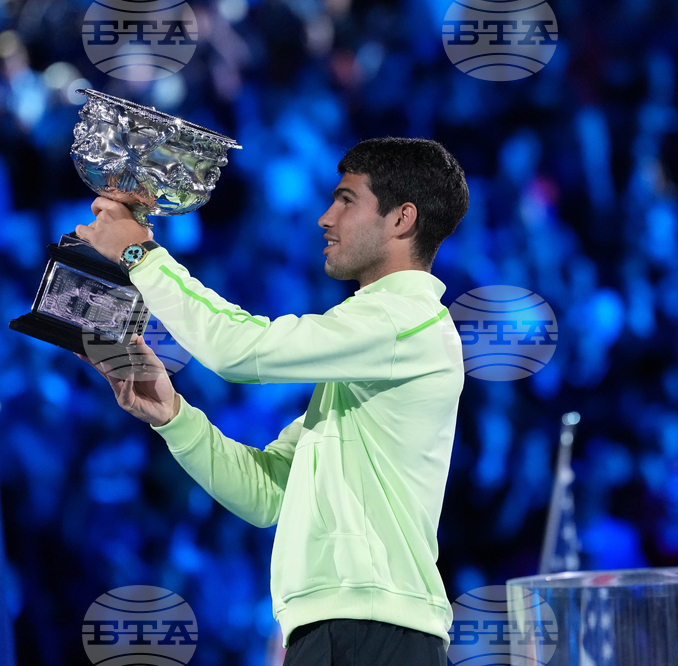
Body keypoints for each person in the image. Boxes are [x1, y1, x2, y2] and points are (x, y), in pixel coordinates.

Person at [75, 137, 470, 666]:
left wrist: (140, 256)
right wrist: (174, 417)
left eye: (346, 200)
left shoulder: (404, 322)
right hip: (344, 629)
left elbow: (239, 349)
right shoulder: (377, 348)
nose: (325, 218)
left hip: (370, 632)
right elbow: (267, 493)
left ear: (402, 219)